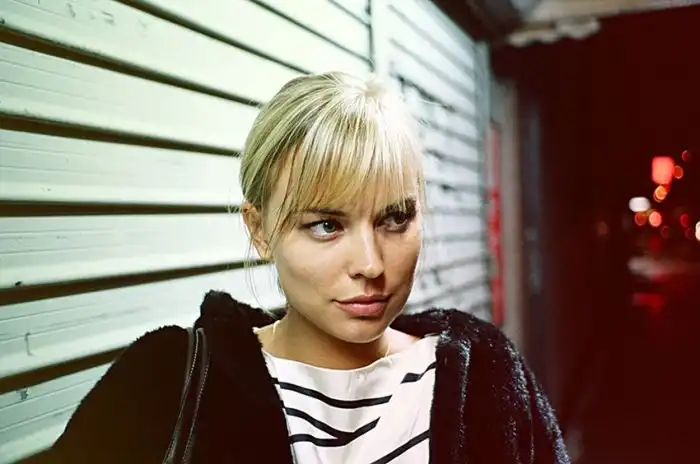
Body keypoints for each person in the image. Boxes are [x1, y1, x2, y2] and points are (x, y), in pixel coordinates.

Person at [44, 72, 569, 463]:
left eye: (394, 218)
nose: (370, 264)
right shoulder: (166, 384)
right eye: (325, 225)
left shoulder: (485, 375)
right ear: (259, 229)